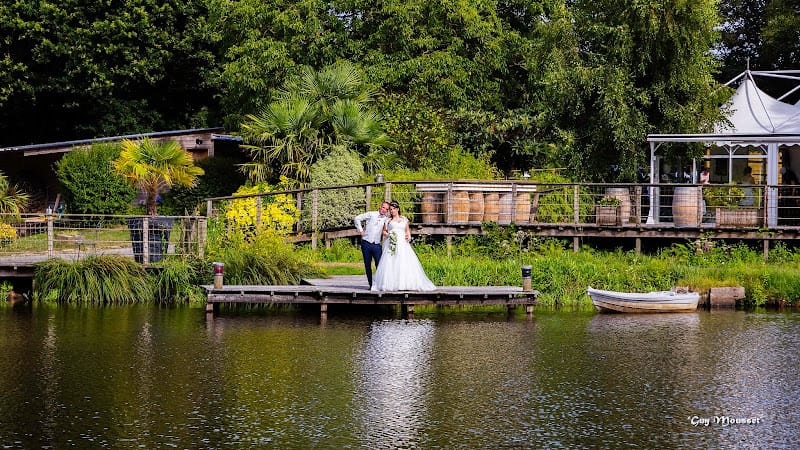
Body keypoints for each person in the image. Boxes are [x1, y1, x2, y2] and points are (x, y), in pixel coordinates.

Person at [370, 201, 436, 292]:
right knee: (391, 263)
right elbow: (384, 232)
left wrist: (409, 236)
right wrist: (389, 234)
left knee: (404, 262)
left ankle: (405, 283)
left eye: (393, 209)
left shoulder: (404, 219)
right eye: (390, 209)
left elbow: (407, 231)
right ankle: (390, 283)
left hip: (403, 244)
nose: (392, 211)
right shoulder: (388, 220)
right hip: (392, 243)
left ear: (398, 209)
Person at [354, 201, 390, 288]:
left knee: (379, 265)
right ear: (380, 207)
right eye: (383, 207)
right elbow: (357, 218)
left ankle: (378, 284)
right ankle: (370, 285)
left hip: (377, 245)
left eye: (386, 209)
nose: (384, 210)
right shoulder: (371, 214)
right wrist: (361, 230)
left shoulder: (386, 219)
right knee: (367, 265)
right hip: (366, 243)